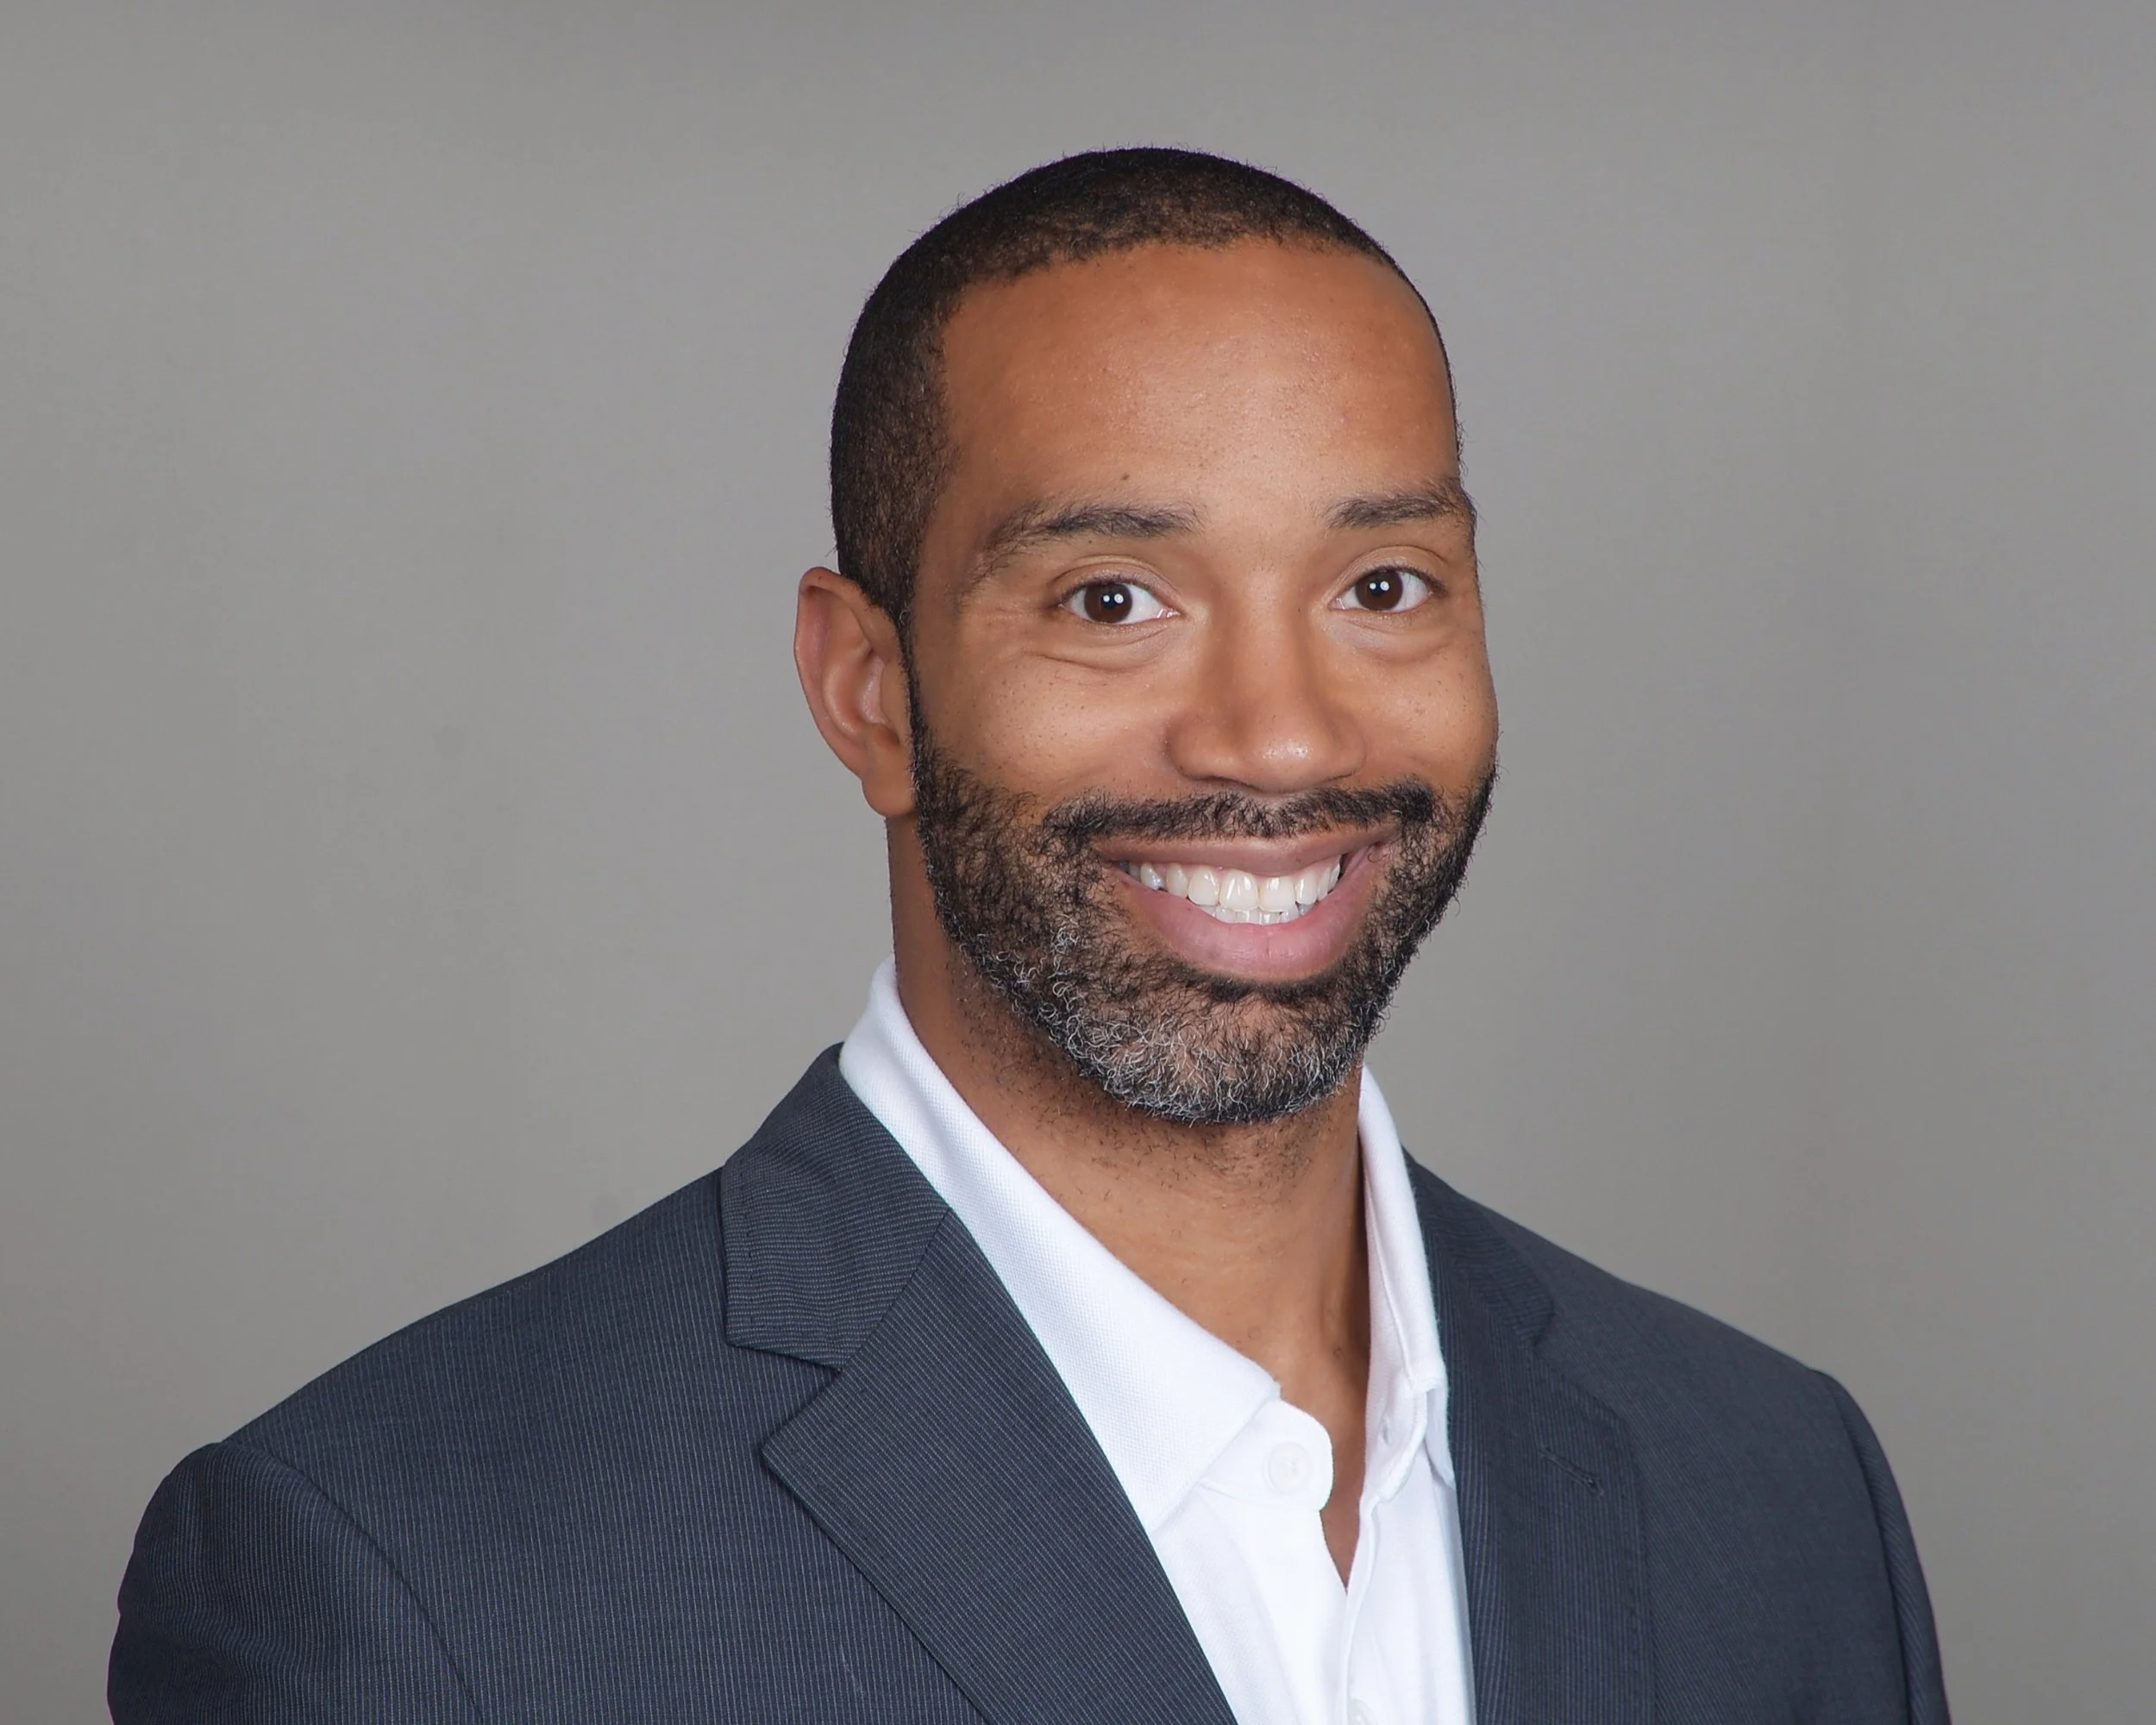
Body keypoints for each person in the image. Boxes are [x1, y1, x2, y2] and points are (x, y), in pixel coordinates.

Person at [110, 147, 1950, 1724]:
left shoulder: (1773, 1486)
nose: (1280, 734)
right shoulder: (400, 1572)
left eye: (1380, 587)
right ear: (867, 687)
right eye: (1113, 597)